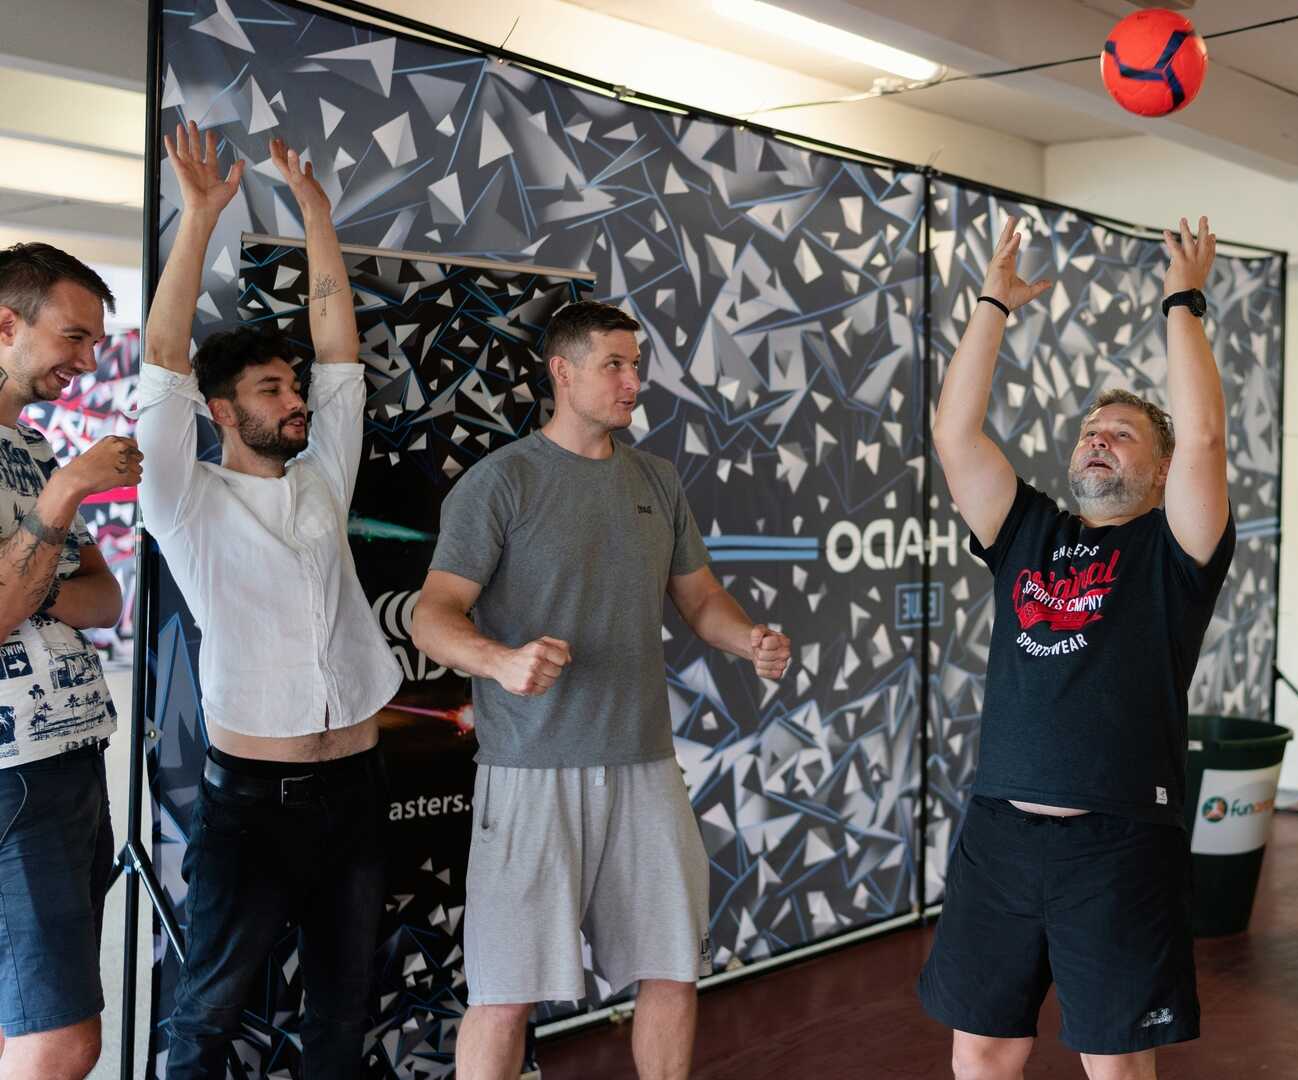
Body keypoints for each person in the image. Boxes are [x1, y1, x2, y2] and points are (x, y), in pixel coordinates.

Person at [409, 300, 793, 1080]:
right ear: (563, 371)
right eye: (615, 364)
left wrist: (745, 637)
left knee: (673, 967)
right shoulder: (502, 482)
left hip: (644, 765)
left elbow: (700, 598)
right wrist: (499, 660)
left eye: (636, 364)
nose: (633, 381)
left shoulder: (655, 478)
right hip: (528, 771)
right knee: (503, 992)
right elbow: (430, 615)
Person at [917, 214, 1235, 1080]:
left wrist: (1182, 299)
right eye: (1092, 429)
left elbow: (1205, 437)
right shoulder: (1030, 534)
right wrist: (993, 303)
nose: (1097, 438)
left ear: (1161, 471)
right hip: (1000, 834)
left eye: (1123, 433)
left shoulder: (1176, 554)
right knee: (982, 1049)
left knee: (1115, 1065)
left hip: (1120, 841)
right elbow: (954, 435)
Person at [137, 123, 402, 1078]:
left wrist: (318, 216)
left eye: (291, 385)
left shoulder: (325, 473)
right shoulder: (184, 498)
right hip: (252, 803)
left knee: (341, 1014)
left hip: (361, 788)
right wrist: (201, 218)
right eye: (269, 388)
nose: (295, 399)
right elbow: (162, 367)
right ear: (221, 412)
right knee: (204, 1014)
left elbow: (340, 354)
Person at [0, 242, 140, 1080]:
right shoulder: (55, 470)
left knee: (24, 1021)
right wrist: (64, 501)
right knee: (62, 1038)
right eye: (74, 337)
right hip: (13, 769)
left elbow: (104, 600)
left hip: (70, 757)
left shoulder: (32, 446)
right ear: (6, 324)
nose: (88, 361)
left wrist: (34, 576)